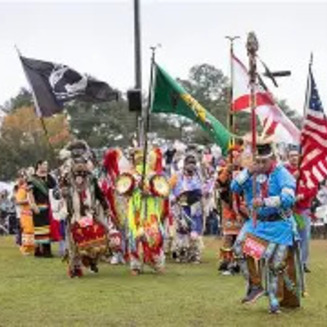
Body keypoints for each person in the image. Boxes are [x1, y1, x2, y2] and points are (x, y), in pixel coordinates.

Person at [231, 136, 302, 314]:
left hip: (279, 226)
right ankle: (255, 285)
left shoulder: (282, 174)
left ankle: (274, 301)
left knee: (274, 264)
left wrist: (264, 202)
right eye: (258, 161)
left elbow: (288, 198)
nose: (261, 164)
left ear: (273, 159)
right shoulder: (251, 173)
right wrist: (248, 172)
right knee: (239, 247)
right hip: (257, 225)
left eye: (264, 161)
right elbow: (234, 187)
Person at [118, 147, 169, 275]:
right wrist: (136, 186)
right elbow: (123, 190)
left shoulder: (154, 175)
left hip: (151, 211)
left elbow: (163, 191)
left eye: (142, 159)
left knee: (154, 236)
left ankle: (157, 263)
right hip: (135, 210)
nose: (139, 161)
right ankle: (135, 266)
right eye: (137, 159)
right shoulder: (130, 175)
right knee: (134, 237)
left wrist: (149, 190)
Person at [285, 147, 317, 273]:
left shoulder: (308, 171)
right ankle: (288, 261)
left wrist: (302, 196)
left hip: (303, 209)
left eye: (296, 155)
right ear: (288, 157)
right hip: (288, 210)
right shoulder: (285, 171)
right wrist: (293, 177)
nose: (294, 158)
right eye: (291, 155)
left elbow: (313, 189)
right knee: (288, 235)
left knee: (304, 236)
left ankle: (302, 263)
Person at [217, 144, 246, 275]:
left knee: (241, 236)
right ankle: (227, 261)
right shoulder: (225, 170)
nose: (235, 158)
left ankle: (238, 262)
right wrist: (227, 171)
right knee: (228, 235)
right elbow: (218, 184)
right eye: (232, 156)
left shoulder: (246, 171)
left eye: (238, 156)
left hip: (242, 208)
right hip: (229, 208)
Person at [171, 154, 204, 263]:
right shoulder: (177, 176)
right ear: (184, 164)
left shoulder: (198, 176)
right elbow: (169, 190)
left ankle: (194, 254)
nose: (191, 166)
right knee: (182, 230)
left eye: (193, 163)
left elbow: (203, 190)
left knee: (195, 232)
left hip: (195, 207)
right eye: (189, 163)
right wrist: (174, 197)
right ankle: (181, 253)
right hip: (181, 207)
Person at [27, 160, 56, 257]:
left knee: (47, 229)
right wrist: (33, 205)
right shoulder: (32, 179)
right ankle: (39, 250)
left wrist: (48, 176)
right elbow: (30, 193)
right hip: (38, 206)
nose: (46, 166)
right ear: (39, 165)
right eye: (44, 165)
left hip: (48, 206)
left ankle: (46, 251)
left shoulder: (49, 177)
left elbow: (54, 187)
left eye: (47, 165)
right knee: (39, 229)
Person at [15, 169, 34, 255]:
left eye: (25, 176)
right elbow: (18, 202)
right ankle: (24, 249)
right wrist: (28, 200)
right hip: (25, 213)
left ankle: (32, 248)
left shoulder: (30, 187)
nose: (25, 178)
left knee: (32, 231)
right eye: (23, 177)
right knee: (27, 230)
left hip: (31, 212)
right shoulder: (21, 189)